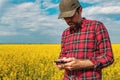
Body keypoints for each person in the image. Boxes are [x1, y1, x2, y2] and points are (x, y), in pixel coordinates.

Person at [55, 0, 114, 80]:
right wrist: (61, 62)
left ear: (80, 10)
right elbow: (63, 55)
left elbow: (108, 57)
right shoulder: (65, 33)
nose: (68, 20)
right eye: (65, 18)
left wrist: (81, 64)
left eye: (71, 16)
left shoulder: (96, 27)